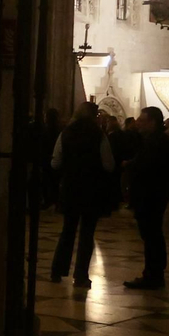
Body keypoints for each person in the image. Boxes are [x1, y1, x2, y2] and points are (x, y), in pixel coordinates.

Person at [49, 102, 114, 288]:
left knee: (67, 231)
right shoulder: (99, 135)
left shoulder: (65, 133)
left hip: (70, 188)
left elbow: (55, 162)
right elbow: (108, 164)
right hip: (92, 190)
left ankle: (57, 270)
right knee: (87, 233)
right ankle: (81, 275)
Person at [125, 105, 169, 289]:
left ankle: (153, 275)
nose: (138, 123)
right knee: (151, 235)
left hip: (151, 196)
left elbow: (150, 169)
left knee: (152, 235)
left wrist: (132, 167)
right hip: (150, 196)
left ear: (153, 122)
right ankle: (152, 273)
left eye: (142, 120)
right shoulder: (153, 141)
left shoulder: (158, 143)